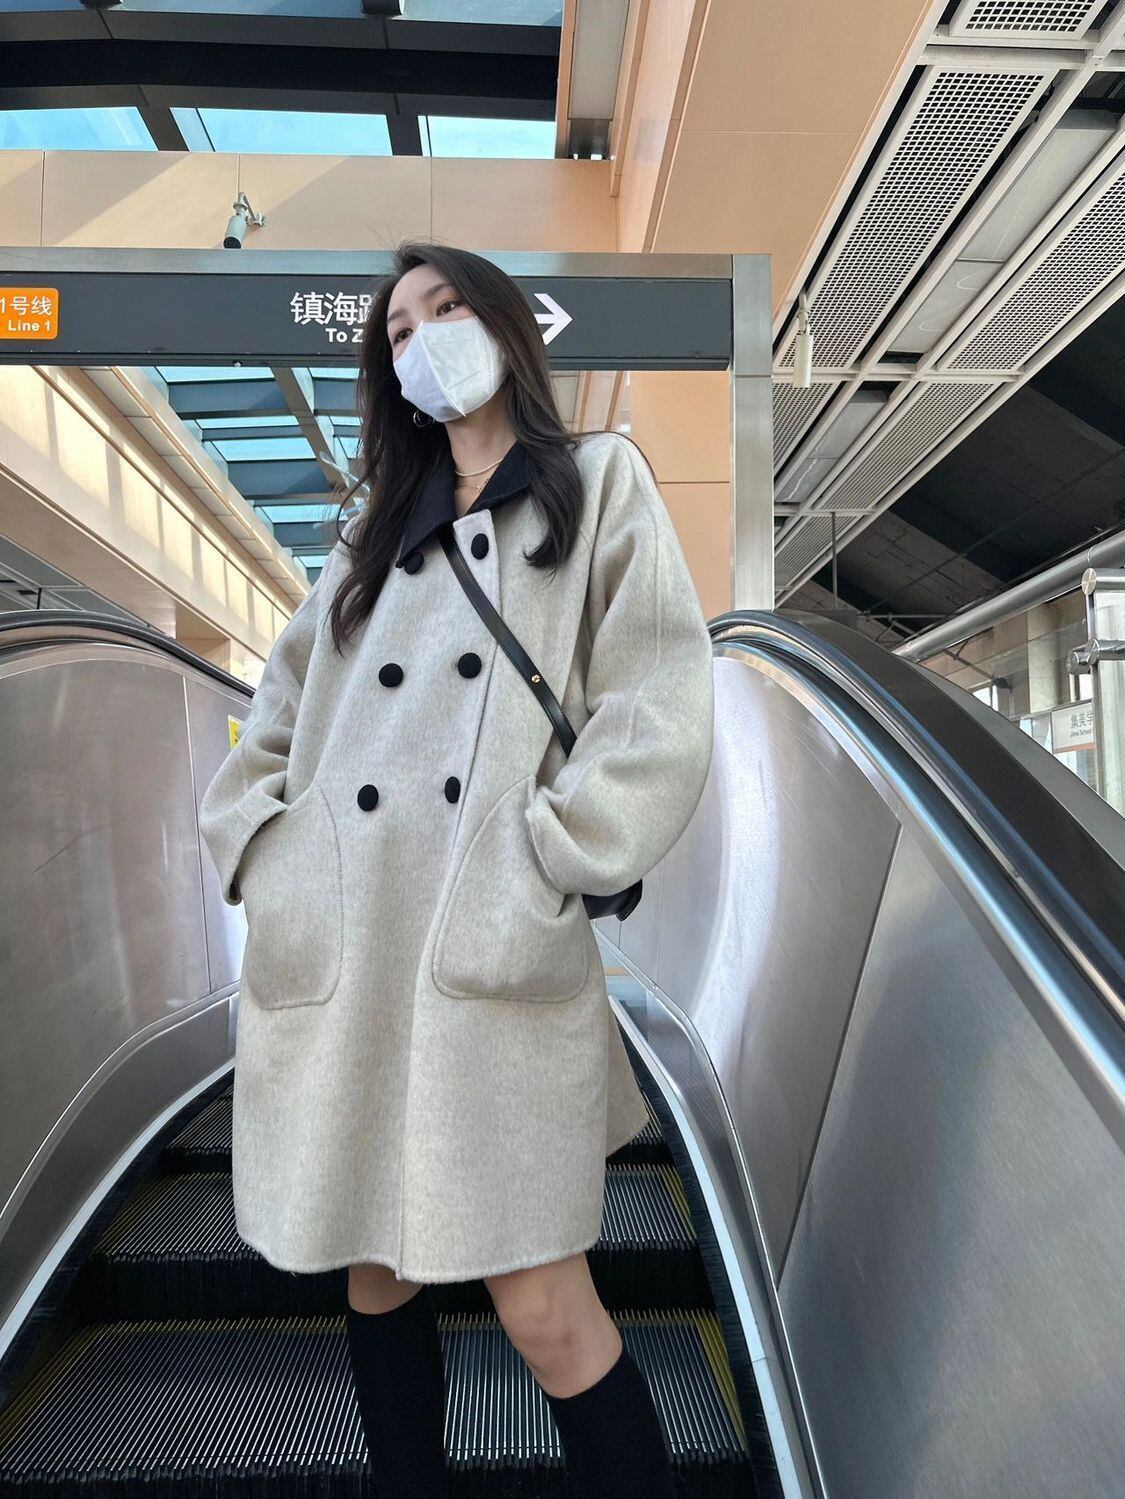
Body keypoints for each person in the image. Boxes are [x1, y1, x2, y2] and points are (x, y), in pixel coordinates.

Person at [197, 240, 715, 1497]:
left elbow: (657, 693)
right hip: (353, 932)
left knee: (545, 1307)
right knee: (377, 1271)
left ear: (498, 320)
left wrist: (549, 857)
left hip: (488, 934)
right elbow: (273, 718)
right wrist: (270, 849)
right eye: (395, 330)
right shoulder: (369, 536)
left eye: (442, 307)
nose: (420, 337)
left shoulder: (597, 482)